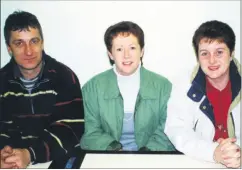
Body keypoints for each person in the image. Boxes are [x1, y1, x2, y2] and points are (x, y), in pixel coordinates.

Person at [0, 10, 84, 168]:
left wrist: (30, 154)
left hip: (60, 158)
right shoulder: (2, 81)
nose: (29, 51)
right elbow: (3, 127)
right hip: (14, 160)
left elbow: (71, 129)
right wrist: (5, 151)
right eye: (19, 43)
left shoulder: (64, 77)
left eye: (34, 41)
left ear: (42, 43)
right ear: (9, 48)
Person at [80, 21, 175, 151]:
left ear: (141, 51)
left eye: (132, 48)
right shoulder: (92, 88)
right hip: (108, 156)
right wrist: (113, 149)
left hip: (152, 157)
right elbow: (90, 132)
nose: (126, 55)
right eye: (119, 49)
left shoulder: (163, 87)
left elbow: (169, 129)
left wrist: (148, 153)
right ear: (110, 54)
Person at [165, 20, 241, 168]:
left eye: (219, 52)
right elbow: (177, 129)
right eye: (205, 53)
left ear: (231, 53)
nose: (212, 60)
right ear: (197, 56)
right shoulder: (184, 84)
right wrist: (213, 153)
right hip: (200, 162)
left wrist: (237, 152)